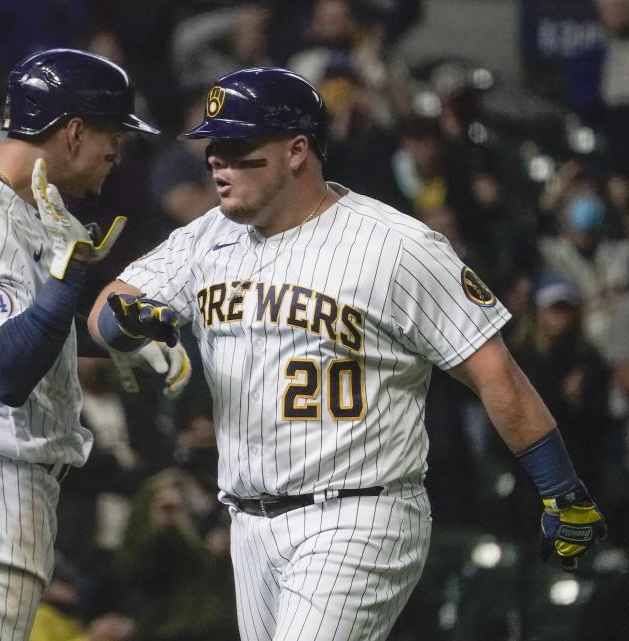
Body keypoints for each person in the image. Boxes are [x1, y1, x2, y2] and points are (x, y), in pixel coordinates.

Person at [88, 67, 607, 641]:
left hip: (359, 514)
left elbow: (494, 373)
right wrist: (125, 320)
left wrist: (561, 488)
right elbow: (108, 312)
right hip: (248, 520)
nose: (216, 161)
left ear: (297, 150)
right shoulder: (206, 237)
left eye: (237, 146)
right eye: (213, 147)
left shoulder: (396, 246)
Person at [0, 48, 190, 641]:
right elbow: (5, 368)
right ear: (73, 132)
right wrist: (63, 287)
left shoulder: (19, 194)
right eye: (111, 133)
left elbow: (29, 335)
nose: (117, 151)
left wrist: (113, 340)